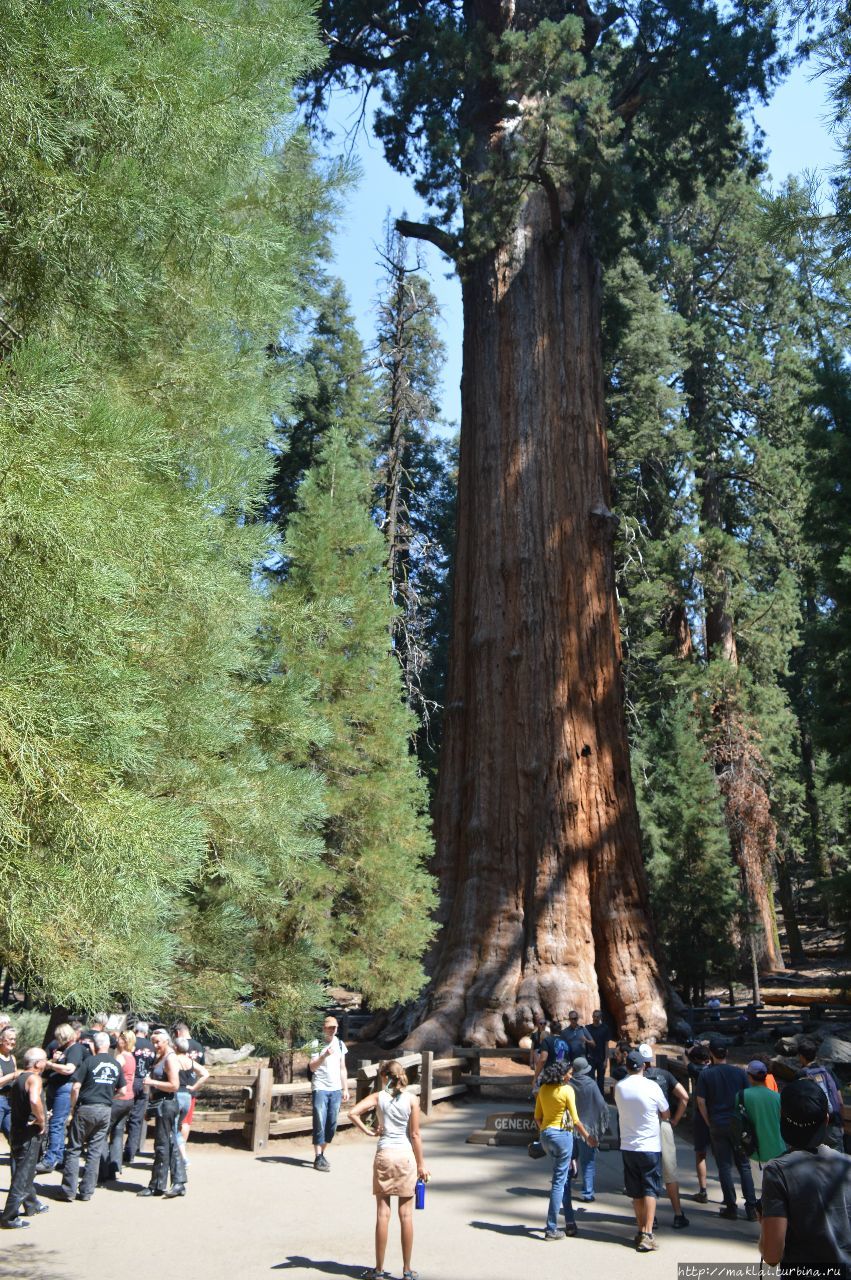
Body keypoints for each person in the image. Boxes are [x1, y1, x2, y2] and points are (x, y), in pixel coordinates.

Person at [759, 1077, 851, 1276]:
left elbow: (772, 1256)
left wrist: (764, 1225)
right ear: (826, 1120)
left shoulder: (777, 1171)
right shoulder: (847, 1165)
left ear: (781, 1117)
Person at [348, 1059, 429, 1280]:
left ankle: (378, 1269)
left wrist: (369, 1132)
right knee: (406, 1215)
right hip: (405, 1157)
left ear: (384, 1076)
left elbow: (353, 1113)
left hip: (384, 1155)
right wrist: (421, 1164)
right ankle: (407, 1270)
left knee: (383, 1214)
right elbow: (415, 1135)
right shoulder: (412, 1100)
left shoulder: (378, 1098)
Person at [695, 1039, 758, 1220]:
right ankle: (751, 1207)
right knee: (744, 1165)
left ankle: (731, 1206)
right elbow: (749, 1096)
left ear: (711, 1054)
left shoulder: (706, 1075)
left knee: (724, 1166)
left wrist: (708, 1121)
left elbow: (701, 1101)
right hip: (738, 1123)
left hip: (717, 1122)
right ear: (727, 1053)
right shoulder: (739, 1073)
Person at [615, 1048, 670, 1253]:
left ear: (626, 1066)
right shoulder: (652, 1087)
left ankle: (640, 1230)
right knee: (650, 1188)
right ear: (644, 1066)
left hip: (628, 1145)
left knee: (635, 1191)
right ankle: (647, 1233)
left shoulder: (620, 1087)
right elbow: (665, 1112)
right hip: (649, 1145)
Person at [61, 1030, 123, 1202]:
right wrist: (110, 1097)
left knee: (74, 1149)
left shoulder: (88, 1061)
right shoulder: (116, 1064)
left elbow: (75, 1087)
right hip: (105, 1110)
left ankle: (68, 1190)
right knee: (95, 1151)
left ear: (94, 1045)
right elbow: (123, 1090)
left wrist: (72, 1107)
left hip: (86, 1108)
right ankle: (87, 1191)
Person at [638, 1043, 690, 1228]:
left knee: (647, 1172)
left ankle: (651, 1218)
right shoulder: (664, 1075)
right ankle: (678, 1214)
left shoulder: (637, 1079)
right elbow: (684, 1097)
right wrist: (675, 1120)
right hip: (663, 1124)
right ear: (651, 1058)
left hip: (643, 1127)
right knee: (670, 1171)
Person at [0, 1047, 48, 1229]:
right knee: (23, 1175)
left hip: (17, 1130)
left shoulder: (20, 1078)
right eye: (44, 1060)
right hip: (28, 1133)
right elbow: (35, 1101)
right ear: (37, 1063)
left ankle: (32, 1204)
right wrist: (41, 1120)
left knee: (24, 1172)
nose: (46, 1063)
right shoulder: (34, 1078)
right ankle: (9, 1217)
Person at [138, 1028, 187, 1198]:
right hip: (160, 1104)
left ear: (167, 1041)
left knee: (161, 1145)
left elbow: (174, 1085)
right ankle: (178, 1182)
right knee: (170, 1142)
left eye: (158, 1042)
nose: (155, 1045)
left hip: (167, 1105)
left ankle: (157, 1185)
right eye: (153, 1042)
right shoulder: (159, 1057)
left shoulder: (170, 1058)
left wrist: (151, 1082)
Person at [39, 1022, 86, 1173]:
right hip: (55, 1087)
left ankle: (51, 1159)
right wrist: (53, 1061)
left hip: (64, 1089)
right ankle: (57, 1156)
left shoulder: (75, 1049)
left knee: (57, 1123)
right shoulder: (64, 1049)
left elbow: (69, 1069)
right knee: (53, 1122)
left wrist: (51, 1065)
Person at [309, 1016, 349, 1171]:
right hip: (320, 1087)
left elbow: (342, 1068)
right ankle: (318, 1157)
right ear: (324, 1028)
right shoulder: (315, 1044)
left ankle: (321, 1154)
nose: (333, 1030)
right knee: (319, 1120)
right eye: (330, 1027)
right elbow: (312, 1067)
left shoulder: (340, 1044)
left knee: (331, 1124)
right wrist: (324, 1055)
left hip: (336, 1089)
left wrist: (345, 1088)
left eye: (335, 1027)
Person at [568, 1056, 609, 1202]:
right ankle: (587, 1193)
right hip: (587, 1130)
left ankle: (564, 1189)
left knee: (568, 1159)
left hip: (570, 1128)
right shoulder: (591, 1084)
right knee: (588, 1163)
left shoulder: (568, 1083)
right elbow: (601, 1105)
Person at [99, 1029, 137, 1182]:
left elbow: (113, 1074)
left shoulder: (121, 1057)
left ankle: (102, 1169)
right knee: (118, 1133)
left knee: (103, 1132)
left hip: (118, 1098)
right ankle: (114, 1167)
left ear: (125, 1041)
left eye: (120, 1039)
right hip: (129, 1098)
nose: (117, 1042)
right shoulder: (132, 1057)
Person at [796, 1037, 845, 1152]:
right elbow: (840, 1101)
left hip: (815, 1127)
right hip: (834, 1124)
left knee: (819, 1164)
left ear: (801, 1057)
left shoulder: (801, 1074)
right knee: (838, 1163)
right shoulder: (827, 1071)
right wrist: (841, 1123)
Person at [741, 1060, 785, 1165]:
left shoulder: (742, 1095)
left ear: (749, 1076)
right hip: (778, 1149)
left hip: (756, 1151)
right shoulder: (778, 1097)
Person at [124, 1018, 155, 1163]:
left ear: (135, 1031)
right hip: (144, 1081)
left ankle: (116, 1150)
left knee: (122, 1114)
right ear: (147, 1033)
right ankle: (130, 1151)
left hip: (130, 1080)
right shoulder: (152, 1047)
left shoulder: (131, 1043)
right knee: (136, 1118)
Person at [174, 1034, 209, 1163]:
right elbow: (205, 1074)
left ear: (175, 1047)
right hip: (187, 1096)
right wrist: (194, 1087)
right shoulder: (190, 1061)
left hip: (176, 1094)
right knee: (184, 1123)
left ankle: (180, 1156)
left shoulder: (173, 1060)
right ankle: (181, 1152)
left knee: (172, 1126)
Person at [685, 1041, 711, 1201]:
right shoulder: (713, 1071)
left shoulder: (695, 1070)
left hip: (701, 1117)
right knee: (723, 1158)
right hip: (719, 1116)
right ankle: (728, 1193)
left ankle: (703, 1190)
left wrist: (686, 1051)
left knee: (700, 1154)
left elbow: (686, 1061)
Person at [0, 1025, 19, 1146]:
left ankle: (17, 1164)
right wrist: (13, 1075)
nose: (12, 1042)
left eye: (14, 1039)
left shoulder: (12, 1058)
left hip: (10, 1101)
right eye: (10, 1039)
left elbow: (16, 1078)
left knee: (13, 1136)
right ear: (1, 1040)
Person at [587, 1010, 610, 1095]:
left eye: (598, 1016)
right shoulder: (587, 1028)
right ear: (592, 1017)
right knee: (591, 1080)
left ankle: (601, 1100)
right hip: (591, 1059)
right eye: (594, 1016)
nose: (596, 1018)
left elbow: (606, 1045)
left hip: (601, 1058)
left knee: (601, 1081)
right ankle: (592, 1098)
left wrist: (606, 1060)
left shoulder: (605, 1028)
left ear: (600, 1017)